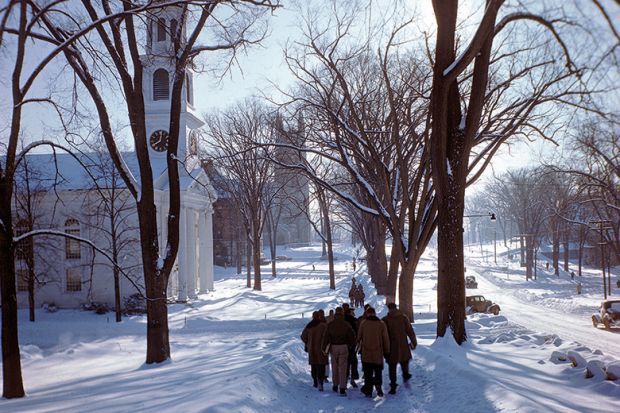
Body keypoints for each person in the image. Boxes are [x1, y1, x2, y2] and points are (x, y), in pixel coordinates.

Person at [382, 302, 417, 394]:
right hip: (403, 345)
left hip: (391, 346)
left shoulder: (385, 320)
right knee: (404, 361)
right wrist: (414, 342)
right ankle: (405, 375)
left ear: (389, 309)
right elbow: (410, 330)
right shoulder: (403, 318)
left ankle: (393, 385)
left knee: (392, 366)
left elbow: (382, 334)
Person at [322, 307, 356, 396]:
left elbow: (325, 337)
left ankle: (335, 384)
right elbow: (352, 337)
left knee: (334, 367)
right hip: (344, 347)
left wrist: (324, 348)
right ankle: (342, 388)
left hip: (333, 347)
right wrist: (349, 345)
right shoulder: (346, 324)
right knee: (343, 368)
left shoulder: (330, 324)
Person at [357, 307, 390, 398]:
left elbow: (359, 337)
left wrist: (358, 347)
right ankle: (378, 385)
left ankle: (368, 390)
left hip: (366, 352)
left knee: (368, 372)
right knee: (378, 371)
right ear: (375, 313)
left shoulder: (363, 323)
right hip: (378, 352)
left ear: (367, 314)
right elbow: (385, 339)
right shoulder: (381, 324)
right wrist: (387, 351)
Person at [300, 311, 328, 391]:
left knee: (314, 366)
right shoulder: (323, 326)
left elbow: (303, 336)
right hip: (321, 349)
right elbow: (327, 336)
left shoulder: (309, 326)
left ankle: (315, 381)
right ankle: (320, 382)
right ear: (319, 317)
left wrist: (308, 343)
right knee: (321, 366)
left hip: (312, 349)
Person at [342, 303, 359, 387]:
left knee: (346, 362)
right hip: (352, 345)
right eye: (353, 312)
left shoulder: (343, 320)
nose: (354, 314)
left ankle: (345, 379)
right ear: (349, 313)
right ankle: (352, 379)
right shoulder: (354, 321)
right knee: (353, 362)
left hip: (344, 344)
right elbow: (357, 332)